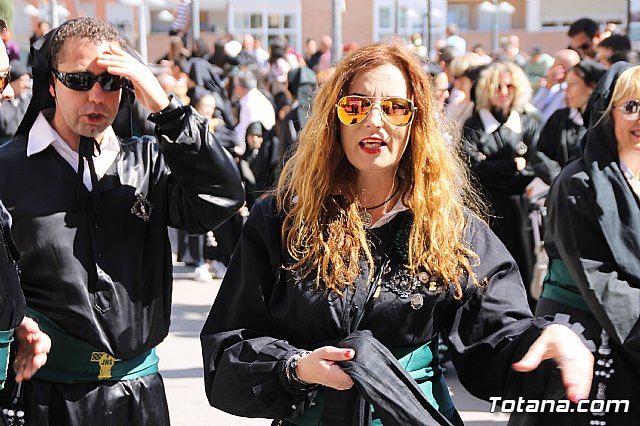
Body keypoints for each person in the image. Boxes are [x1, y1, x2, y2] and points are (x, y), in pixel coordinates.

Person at [200, 42, 593, 425]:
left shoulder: (448, 225)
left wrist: (545, 340)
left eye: (394, 108)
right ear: (333, 119)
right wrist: (296, 367)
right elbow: (228, 348)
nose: (375, 121)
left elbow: (496, 331)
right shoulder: (283, 219)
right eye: (356, 106)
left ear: (415, 121)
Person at [0, 17, 243, 425]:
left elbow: (221, 198)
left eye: (111, 82)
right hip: (44, 398)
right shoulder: (8, 168)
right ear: (51, 84)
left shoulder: (148, 160)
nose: (96, 96)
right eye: (79, 80)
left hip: (139, 396)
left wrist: (167, 109)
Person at [532, 62, 640, 424]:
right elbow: (599, 278)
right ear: (607, 113)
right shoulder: (578, 183)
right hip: (586, 338)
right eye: (631, 106)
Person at [463, 61, 550, 300]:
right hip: (484, 206)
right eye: (498, 86)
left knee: (522, 264)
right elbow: (472, 168)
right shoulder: (474, 125)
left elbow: (533, 166)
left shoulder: (528, 124)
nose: (503, 92)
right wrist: (513, 164)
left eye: (509, 86)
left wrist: (491, 163)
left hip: (518, 208)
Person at [537, 61, 606, 170]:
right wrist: (559, 178)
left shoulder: (604, 123)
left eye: (572, 84)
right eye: (566, 84)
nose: (566, 90)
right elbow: (540, 152)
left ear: (592, 87)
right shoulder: (559, 118)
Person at [531, 49, 581, 121]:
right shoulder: (553, 88)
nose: (551, 69)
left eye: (555, 67)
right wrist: (548, 87)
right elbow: (534, 108)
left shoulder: (572, 93)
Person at [0, 61, 32, 144]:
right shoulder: (2, 104)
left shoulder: (26, 101)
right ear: (11, 81)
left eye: (28, 81)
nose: (27, 85)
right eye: (23, 81)